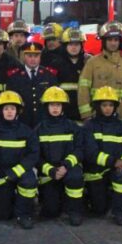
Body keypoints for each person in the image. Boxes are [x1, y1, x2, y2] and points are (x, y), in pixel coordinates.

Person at [0, 91, 39, 229]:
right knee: (2, 214)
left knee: (29, 180)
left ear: (18, 111)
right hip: (1, 176)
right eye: (6, 108)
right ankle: (10, 201)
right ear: (0, 111)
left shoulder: (27, 132)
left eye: (12, 108)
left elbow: (33, 154)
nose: (9, 112)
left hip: (20, 173)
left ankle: (24, 214)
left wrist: (16, 171)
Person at [82, 86, 122, 226]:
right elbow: (90, 153)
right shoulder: (89, 126)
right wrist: (113, 162)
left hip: (117, 169)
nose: (107, 108)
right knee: (99, 210)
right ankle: (94, 196)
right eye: (104, 105)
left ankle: (120, 213)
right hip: (96, 172)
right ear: (97, 106)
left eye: (111, 105)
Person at [34, 86, 85, 226]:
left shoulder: (73, 127)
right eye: (52, 105)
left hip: (69, 168)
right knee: (50, 212)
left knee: (75, 177)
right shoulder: (39, 129)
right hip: (49, 172)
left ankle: (75, 211)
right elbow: (35, 156)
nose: (55, 108)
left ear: (63, 107)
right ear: (46, 106)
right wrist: (50, 170)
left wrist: (66, 165)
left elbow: (80, 150)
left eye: (58, 105)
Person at [78, 22, 122, 123]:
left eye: (116, 40)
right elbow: (83, 91)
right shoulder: (92, 63)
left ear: (120, 42)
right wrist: (86, 116)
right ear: (104, 41)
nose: (113, 43)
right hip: (97, 119)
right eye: (110, 40)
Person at [5, 40, 58, 128]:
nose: (33, 59)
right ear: (24, 56)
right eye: (29, 56)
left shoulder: (49, 75)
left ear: (40, 57)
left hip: (44, 121)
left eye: (36, 56)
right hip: (22, 122)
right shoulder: (14, 76)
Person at [53, 28, 87, 123]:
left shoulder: (87, 63)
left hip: (82, 111)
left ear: (81, 46)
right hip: (63, 111)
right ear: (65, 46)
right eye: (71, 44)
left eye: (76, 44)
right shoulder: (56, 64)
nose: (74, 47)